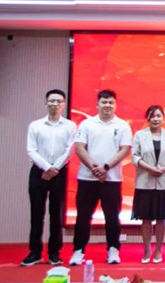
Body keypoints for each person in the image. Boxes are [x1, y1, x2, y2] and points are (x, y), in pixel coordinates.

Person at [69, 89, 132, 266]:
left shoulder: (122, 125)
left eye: (111, 102)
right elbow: (79, 147)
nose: (107, 105)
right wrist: (93, 168)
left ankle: (113, 250)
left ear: (115, 105)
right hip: (87, 179)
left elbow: (124, 150)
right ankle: (78, 251)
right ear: (97, 104)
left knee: (112, 217)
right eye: (104, 102)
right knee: (83, 217)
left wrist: (106, 167)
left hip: (112, 179)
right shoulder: (87, 124)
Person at [22, 89, 76, 267]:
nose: (55, 104)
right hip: (38, 172)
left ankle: (54, 253)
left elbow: (69, 150)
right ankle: (35, 252)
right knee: (36, 213)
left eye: (58, 101)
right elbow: (31, 150)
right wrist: (46, 167)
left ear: (64, 104)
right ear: (46, 103)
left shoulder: (70, 126)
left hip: (59, 172)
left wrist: (54, 168)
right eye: (51, 101)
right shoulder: (35, 125)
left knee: (56, 214)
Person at [132, 105, 165, 264]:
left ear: (163, 118)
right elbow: (135, 157)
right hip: (144, 182)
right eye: (152, 116)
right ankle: (147, 250)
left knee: (161, 218)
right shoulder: (140, 135)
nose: (155, 119)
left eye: (158, 116)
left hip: (163, 182)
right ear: (148, 118)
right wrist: (150, 168)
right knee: (146, 219)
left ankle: (158, 250)